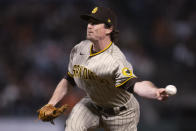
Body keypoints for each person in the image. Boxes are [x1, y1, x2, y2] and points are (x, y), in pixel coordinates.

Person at [38, 6, 169, 131]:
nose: (89, 26)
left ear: (108, 29)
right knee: (74, 123)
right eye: (89, 22)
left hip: (120, 112)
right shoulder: (80, 49)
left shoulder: (115, 60)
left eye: (95, 23)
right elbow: (68, 80)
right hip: (93, 105)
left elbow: (136, 85)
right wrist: (51, 103)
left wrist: (154, 91)